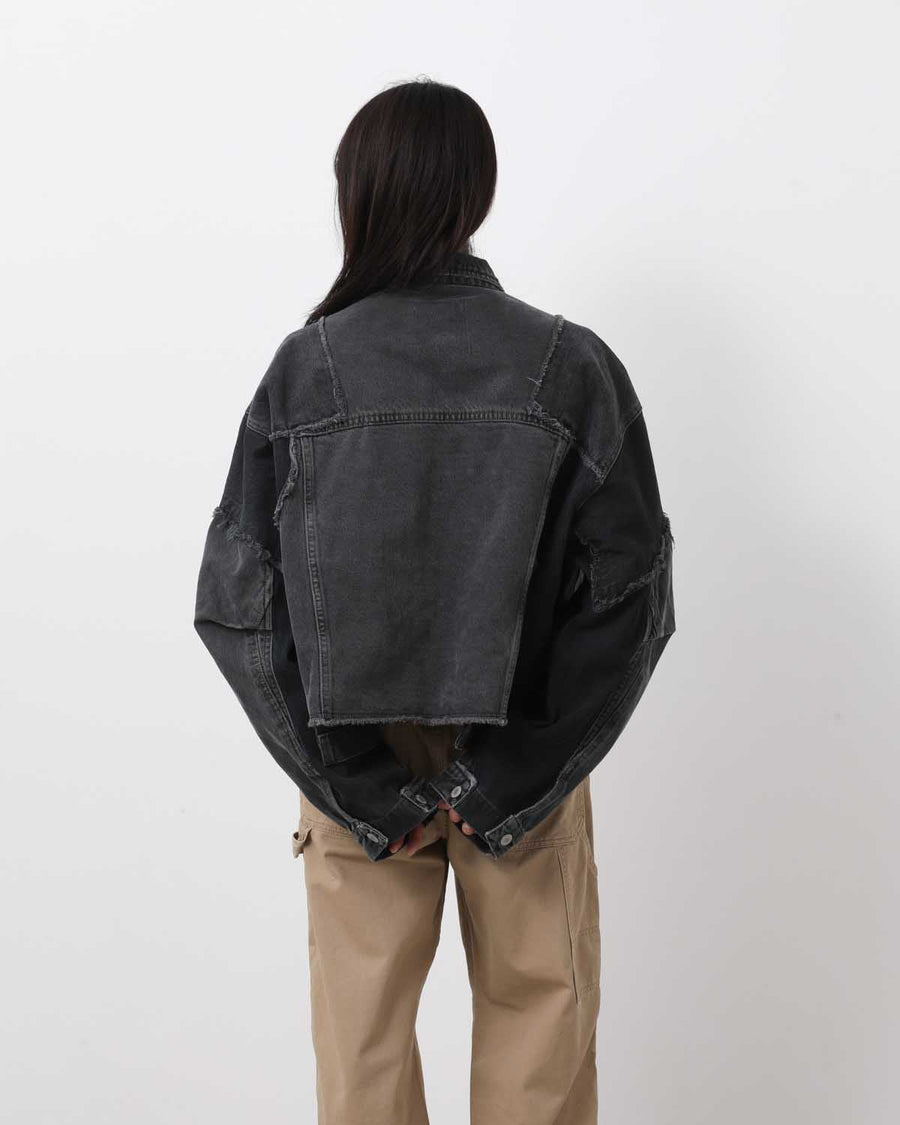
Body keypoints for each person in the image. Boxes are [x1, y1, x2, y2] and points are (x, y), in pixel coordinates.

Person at [193, 78, 676, 1125]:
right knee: (540, 1055)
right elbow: (632, 593)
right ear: (477, 193)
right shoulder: (566, 366)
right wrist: (507, 777)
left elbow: (237, 603)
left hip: (351, 750)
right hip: (524, 749)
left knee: (362, 1066)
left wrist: (360, 786)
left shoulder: (307, 370)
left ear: (358, 193)